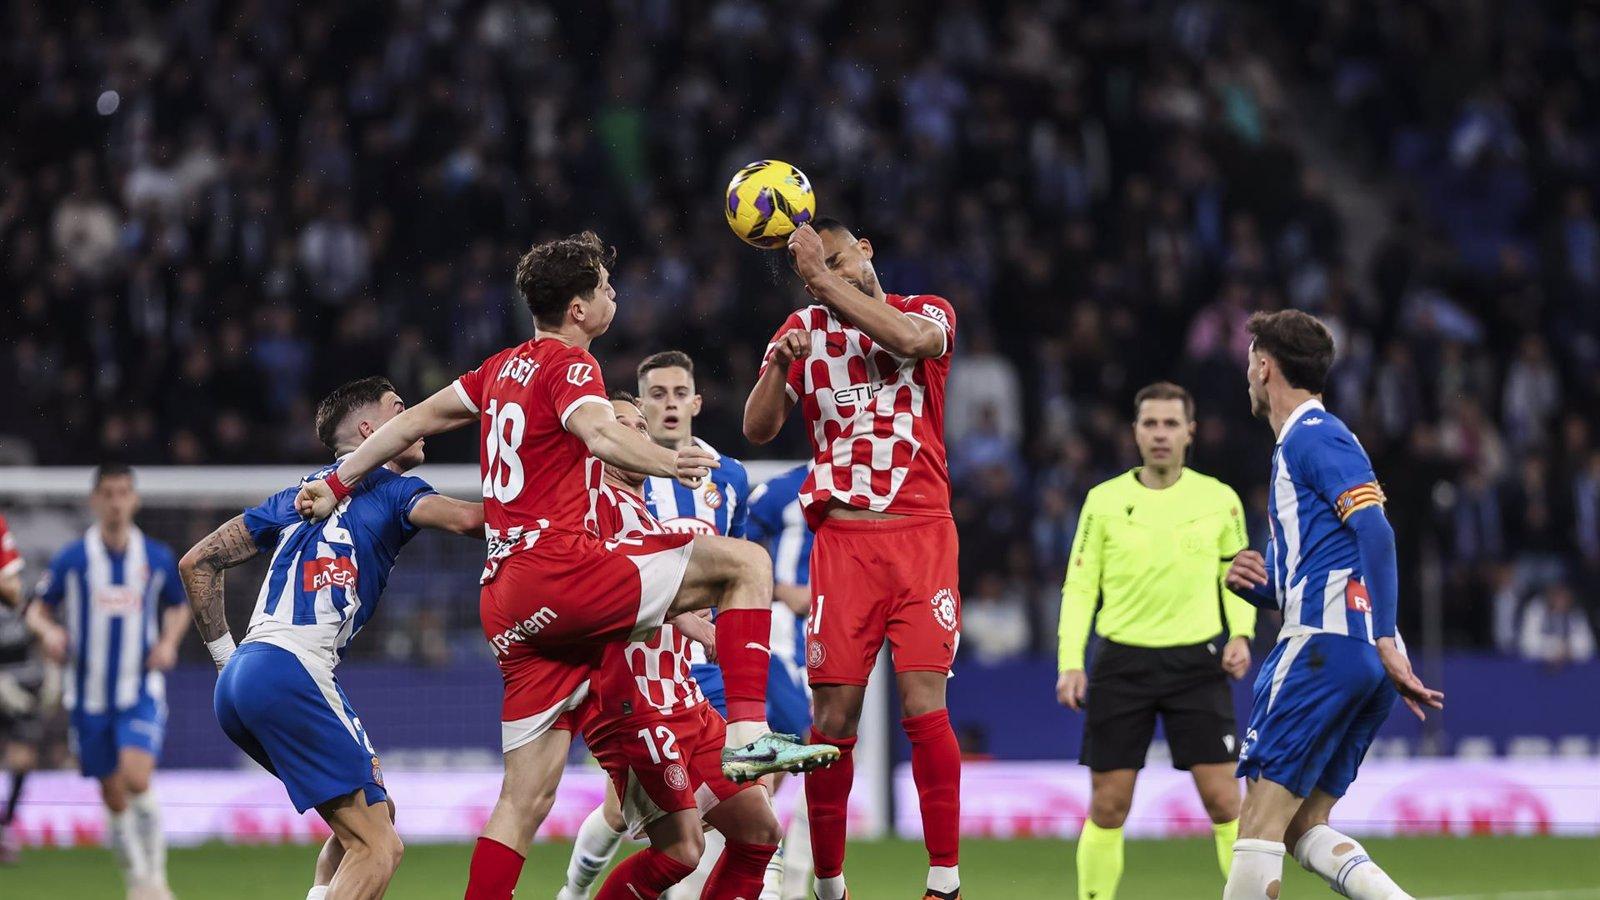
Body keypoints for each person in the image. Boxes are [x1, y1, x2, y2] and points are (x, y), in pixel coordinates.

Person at [292, 231, 835, 900]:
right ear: (579, 309)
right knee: (746, 562)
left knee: (523, 803)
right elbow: (601, 434)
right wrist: (674, 460)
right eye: (606, 288)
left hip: (506, 599)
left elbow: (409, 425)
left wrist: (338, 482)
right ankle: (749, 737)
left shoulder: (499, 369)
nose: (614, 295)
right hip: (564, 572)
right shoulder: (572, 366)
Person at [179, 376, 485, 900]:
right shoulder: (394, 488)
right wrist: (549, 488)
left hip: (245, 678)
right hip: (292, 669)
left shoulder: (294, 497)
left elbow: (197, 561)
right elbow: (471, 522)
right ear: (372, 429)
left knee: (370, 818)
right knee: (380, 849)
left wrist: (227, 661)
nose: (414, 418)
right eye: (400, 408)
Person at [744, 219, 964, 900]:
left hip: (921, 535)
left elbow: (909, 343)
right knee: (832, 719)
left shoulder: (924, 311)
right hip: (842, 544)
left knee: (925, 704)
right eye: (821, 267)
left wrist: (819, 279)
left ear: (866, 250)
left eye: (840, 260)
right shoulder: (802, 330)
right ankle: (832, 886)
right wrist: (781, 364)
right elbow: (757, 427)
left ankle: (945, 881)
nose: (831, 273)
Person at [1221, 310, 1444, 900]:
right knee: (1301, 826)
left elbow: (1377, 530)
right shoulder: (1309, 441)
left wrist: (1388, 638)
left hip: (1328, 647)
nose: (1247, 373)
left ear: (1265, 366)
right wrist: (1264, 588)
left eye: (1250, 361)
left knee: (1258, 824)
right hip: (1352, 653)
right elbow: (1338, 555)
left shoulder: (1314, 434)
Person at [579, 392, 785, 900]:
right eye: (622, 427)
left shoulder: (643, 510)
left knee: (760, 833)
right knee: (680, 853)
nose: (637, 437)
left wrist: (697, 618)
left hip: (683, 697)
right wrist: (691, 620)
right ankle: (574, 887)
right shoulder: (586, 510)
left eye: (641, 429)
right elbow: (601, 594)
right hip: (631, 704)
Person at [1056, 382, 1257, 900]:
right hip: (1121, 662)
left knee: (1224, 802)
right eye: (1151, 424)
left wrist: (1241, 632)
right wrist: (1070, 661)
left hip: (1198, 661)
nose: (1161, 434)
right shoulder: (1103, 502)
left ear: (1190, 432)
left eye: (1171, 424)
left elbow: (1236, 577)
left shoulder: (1219, 500)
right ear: (1135, 432)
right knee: (1108, 805)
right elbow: (1080, 585)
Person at [28, 465, 189, 899]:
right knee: (114, 795)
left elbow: (178, 606)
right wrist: (50, 633)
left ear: (134, 499)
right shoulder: (73, 559)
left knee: (137, 778)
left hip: (139, 690)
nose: (116, 502)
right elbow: (37, 610)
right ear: (95, 501)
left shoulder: (154, 557)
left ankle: (157, 882)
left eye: (123, 493)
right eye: (108, 494)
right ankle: (137, 881)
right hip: (88, 695)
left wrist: (170, 642)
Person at [743, 462, 820, 900]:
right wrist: (777, 587)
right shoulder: (789, 486)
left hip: (833, 632)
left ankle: (767, 869)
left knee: (785, 757)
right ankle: (784, 880)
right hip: (785, 628)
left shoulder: (870, 481)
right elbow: (740, 531)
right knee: (810, 739)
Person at [0, 513, 47, 865]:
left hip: (21, 677)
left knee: (22, 756)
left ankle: (6, 825)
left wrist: (52, 671)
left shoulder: (24, 593)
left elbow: (37, 629)